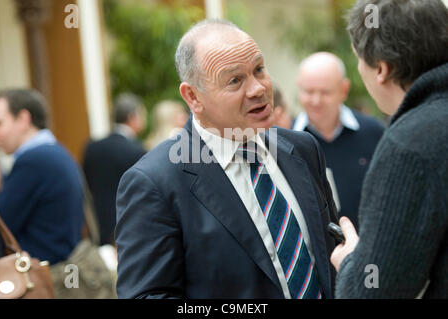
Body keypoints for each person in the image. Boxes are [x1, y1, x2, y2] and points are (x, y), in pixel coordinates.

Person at [115, 19, 338, 299]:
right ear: (193, 97)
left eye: (259, 69)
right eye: (235, 80)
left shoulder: (302, 148)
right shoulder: (154, 183)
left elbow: (331, 258)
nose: (258, 88)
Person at [331, 0, 448, 298]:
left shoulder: (411, 144)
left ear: (381, 69)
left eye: (360, 60)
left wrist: (350, 263)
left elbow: (374, 291)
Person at [293, 52, 384, 230]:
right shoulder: (286, 142)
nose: (316, 100)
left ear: (344, 89)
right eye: (308, 91)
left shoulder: (374, 133)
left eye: (325, 92)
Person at [0, 89, 84, 265]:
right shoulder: (55, 152)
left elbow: (3, 225)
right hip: (64, 271)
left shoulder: (33, 161)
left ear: (23, 119)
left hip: (45, 278)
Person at [82, 93, 146, 246]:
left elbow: (87, 183)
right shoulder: (137, 150)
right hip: (130, 225)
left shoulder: (92, 147)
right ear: (132, 117)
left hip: (99, 224)